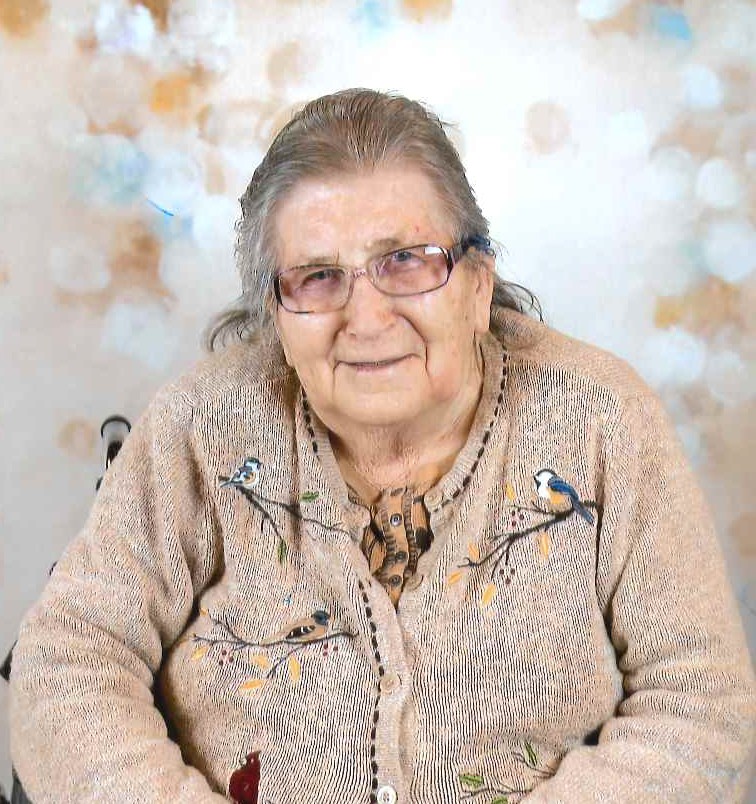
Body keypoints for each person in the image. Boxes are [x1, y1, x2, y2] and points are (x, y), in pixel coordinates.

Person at [9, 88, 756, 803]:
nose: (366, 318)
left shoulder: (600, 419)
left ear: (477, 283)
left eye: (406, 261)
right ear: (275, 312)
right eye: (317, 276)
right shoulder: (203, 427)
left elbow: (700, 701)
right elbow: (69, 661)